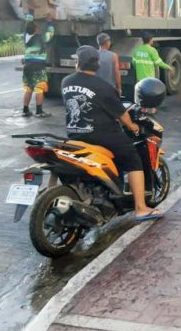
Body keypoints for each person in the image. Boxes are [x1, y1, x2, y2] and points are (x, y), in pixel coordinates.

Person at [62, 46, 162, 221]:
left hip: (75, 134)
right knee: (132, 158)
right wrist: (133, 128)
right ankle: (140, 208)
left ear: (78, 62)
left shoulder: (66, 82)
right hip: (102, 136)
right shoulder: (104, 87)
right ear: (97, 65)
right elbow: (122, 115)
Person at [21, 12, 55, 118]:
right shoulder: (41, 38)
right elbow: (50, 33)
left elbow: (27, 25)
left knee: (28, 88)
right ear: (35, 29)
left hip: (27, 67)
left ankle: (25, 110)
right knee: (39, 88)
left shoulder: (25, 37)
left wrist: (30, 13)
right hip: (38, 68)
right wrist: (50, 22)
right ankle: (39, 111)